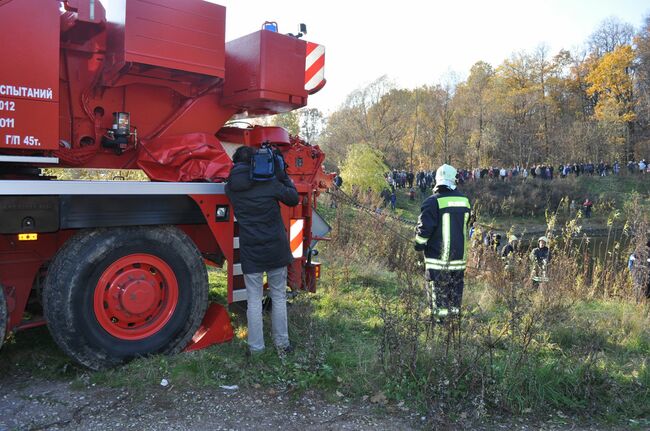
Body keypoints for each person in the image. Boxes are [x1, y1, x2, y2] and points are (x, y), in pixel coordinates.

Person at [225, 146, 299, 355]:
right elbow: (293, 198)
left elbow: (238, 184)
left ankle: (256, 349)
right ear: (254, 163)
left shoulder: (230, 189)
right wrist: (282, 174)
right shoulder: (270, 183)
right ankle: (282, 345)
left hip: (251, 251)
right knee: (278, 296)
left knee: (254, 300)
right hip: (275, 248)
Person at [414, 164, 471, 323]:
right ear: (454, 180)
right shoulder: (465, 202)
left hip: (437, 260)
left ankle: (440, 327)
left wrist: (418, 245)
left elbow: (424, 232)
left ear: (437, 180)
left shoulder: (431, 202)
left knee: (437, 294)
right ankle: (453, 325)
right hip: (458, 259)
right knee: (455, 293)